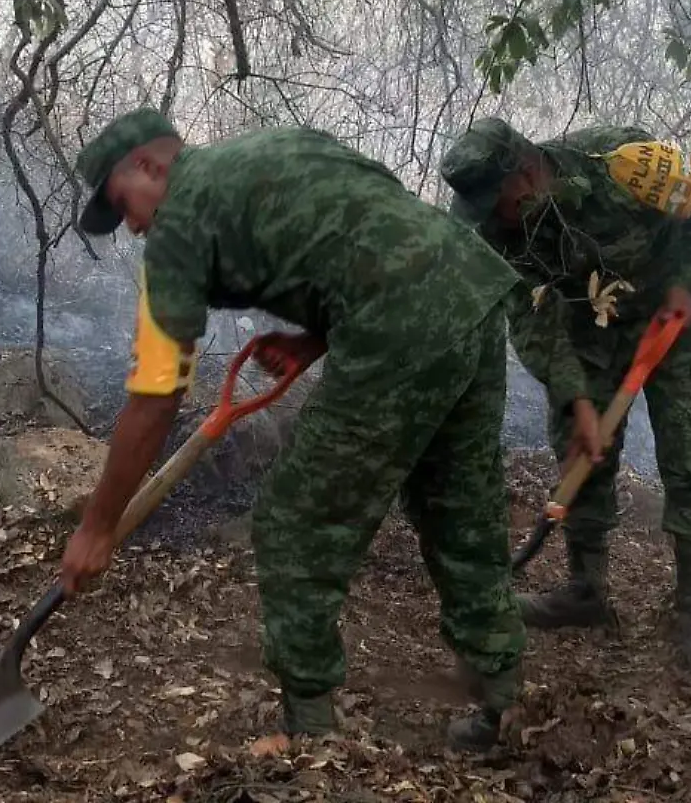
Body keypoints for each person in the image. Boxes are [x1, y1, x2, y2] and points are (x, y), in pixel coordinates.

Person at [57, 108, 526, 750]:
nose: (136, 227)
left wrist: (98, 525)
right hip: (471, 290)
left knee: (294, 521)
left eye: (126, 206)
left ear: (148, 165)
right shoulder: (278, 145)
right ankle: (501, 702)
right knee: (458, 502)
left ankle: (312, 737)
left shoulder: (178, 227)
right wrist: (316, 336)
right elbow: (370, 221)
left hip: (395, 325)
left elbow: (154, 398)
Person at [438, 117, 691, 670]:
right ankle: (586, 590)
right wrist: (576, 397)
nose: (490, 220)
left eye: (495, 203)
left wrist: (690, 280)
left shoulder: (623, 164)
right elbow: (528, 319)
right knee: (579, 449)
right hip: (593, 325)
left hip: (680, 318)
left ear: (526, 175)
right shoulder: (499, 231)